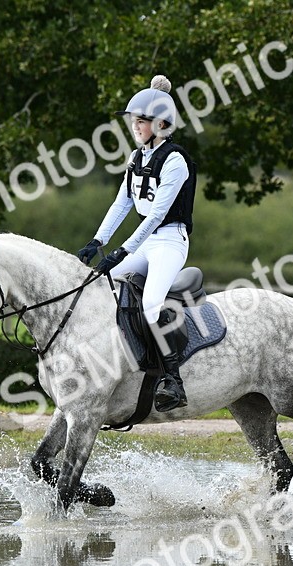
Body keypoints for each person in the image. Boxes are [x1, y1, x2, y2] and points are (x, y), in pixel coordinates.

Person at [77, 75, 196, 412]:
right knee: (100, 287)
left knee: (152, 305)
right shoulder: (137, 157)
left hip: (170, 241)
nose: (134, 125)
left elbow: (156, 215)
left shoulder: (175, 160)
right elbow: (122, 204)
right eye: (134, 120)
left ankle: (174, 381)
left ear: (161, 124)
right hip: (147, 242)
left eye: (141, 120)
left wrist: (121, 251)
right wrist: (98, 240)